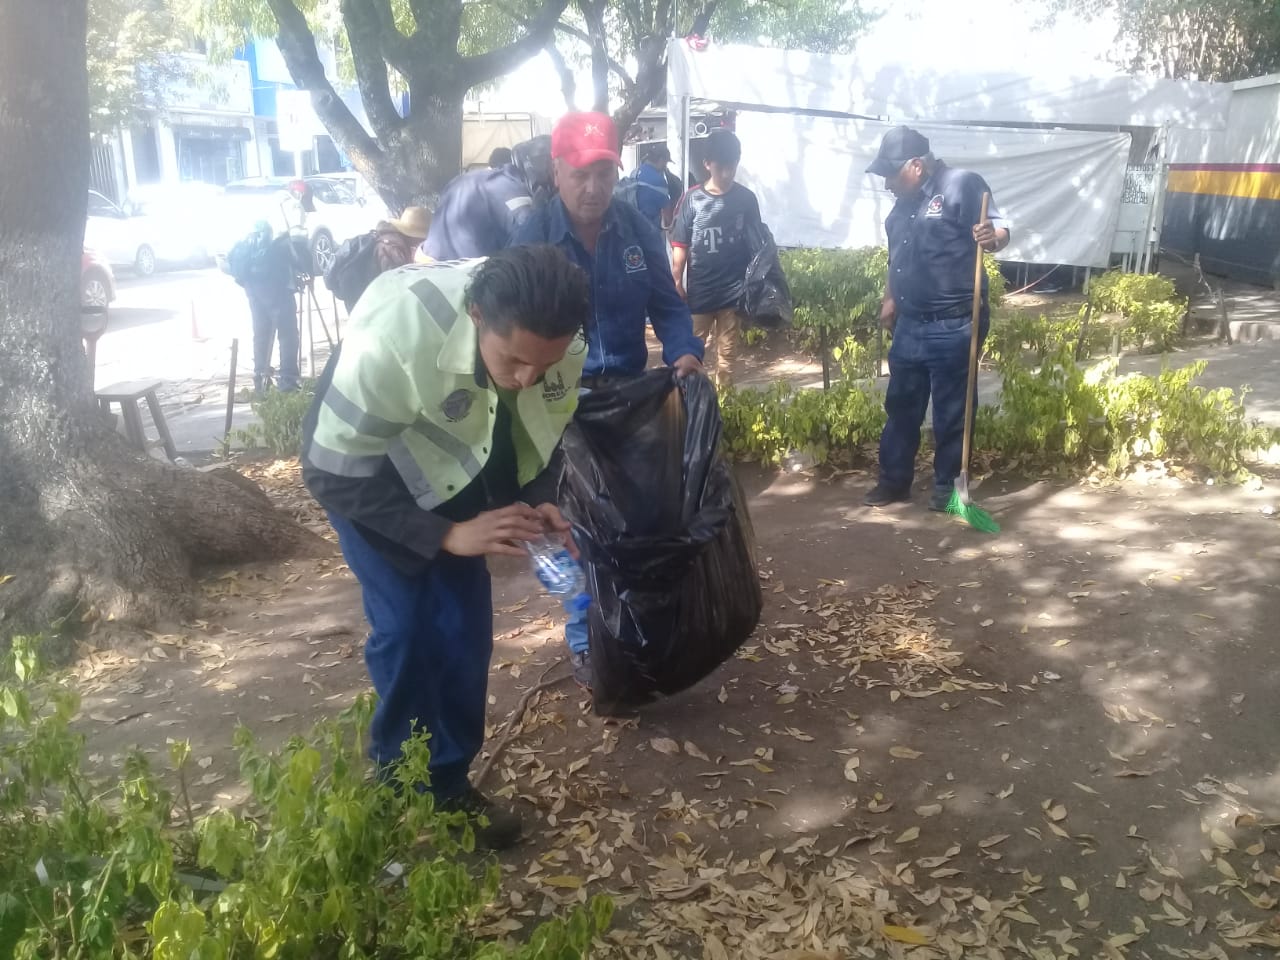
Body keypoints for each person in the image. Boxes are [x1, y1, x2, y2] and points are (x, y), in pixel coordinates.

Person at [301, 246, 591, 850]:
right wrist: (446, 535)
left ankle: (448, 783)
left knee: (462, 634)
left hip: (458, 462)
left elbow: (543, 430)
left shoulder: (560, 348)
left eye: (545, 364)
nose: (526, 378)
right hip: (369, 474)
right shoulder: (394, 339)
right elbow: (331, 472)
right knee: (407, 627)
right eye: (513, 360)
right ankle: (396, 776)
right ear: (478, 315)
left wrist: (541, 496)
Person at [509, 111, 705, 688]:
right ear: (557, 171)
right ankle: (583, 637)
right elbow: (503, 321)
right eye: (580, 174)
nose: (593, 188)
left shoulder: (638, 228)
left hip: (629, 403)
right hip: (554, 407)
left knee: (633, 523)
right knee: (570, 527)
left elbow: (668, 305)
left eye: (604, 173)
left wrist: (684, 352)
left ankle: (632, 628)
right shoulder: (533, 239)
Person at [861, 126, 1010, 513]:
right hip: (910, 323)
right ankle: (894, 482)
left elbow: (1000, 227)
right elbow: (897, 258)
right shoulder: (902, 205)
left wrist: (992, 236)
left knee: (952, 411)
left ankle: (947, 487)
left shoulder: (961, 185)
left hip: (954, 323)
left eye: (891, 174)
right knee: (901, 406)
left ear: (915, 165)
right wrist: (889, 298)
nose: (888, 183)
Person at [670, 129, 761, 388]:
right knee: (692, 351)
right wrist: (676, 279)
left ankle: (725, 407)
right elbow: (681, 243)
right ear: (707, 164)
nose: (727, 174)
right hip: (700, 293)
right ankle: (690, 402)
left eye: (732, 167)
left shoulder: (746, 199)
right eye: (721, 167)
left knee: (728, 356)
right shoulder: (692, 199)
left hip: (734, 293)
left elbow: (757, 244)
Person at [420, 137, 551, 261]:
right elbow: (531, 250)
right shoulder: (517, 197)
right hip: (462, 276)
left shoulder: (466, 179)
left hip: (426, 263)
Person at [226, 220, 301, 394]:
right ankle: (288, 382)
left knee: (261, 336)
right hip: (278, 295)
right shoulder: (279, 245)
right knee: (288, 335)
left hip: (254, 294)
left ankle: (261, 380)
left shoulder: (246, 248)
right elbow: (298, 261)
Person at [326, 206, 432, 315]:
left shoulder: (387, 238)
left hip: (360, 302)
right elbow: (398, 292)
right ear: (414, 236)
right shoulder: (392, 249)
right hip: (366, 308)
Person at [631, 144, 677, 230]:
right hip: (648, 231)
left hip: (632, 228)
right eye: (665, 162)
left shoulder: (635, 172)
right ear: (661, 160)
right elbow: (668, 218)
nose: (665, 166)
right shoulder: (659, 181)